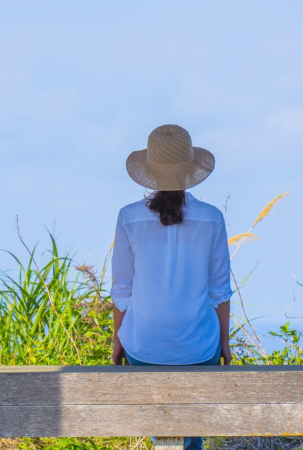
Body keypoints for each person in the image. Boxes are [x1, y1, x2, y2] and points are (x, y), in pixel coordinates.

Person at [110, 124, 233, 450]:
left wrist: (118, 343)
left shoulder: (128, 217)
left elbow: (121, 291)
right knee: (188, 429)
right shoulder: (212, 218)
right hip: (198, 347)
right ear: (190, 170)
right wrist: (224, 344)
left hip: (144, 347)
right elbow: (220, 292)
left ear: (149, 171)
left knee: (167, 430)